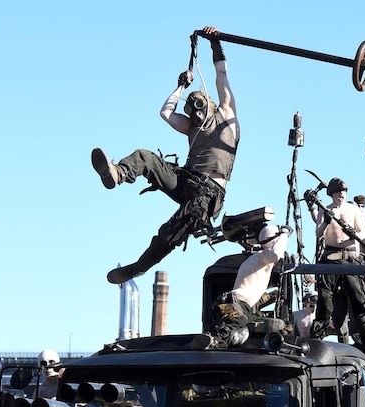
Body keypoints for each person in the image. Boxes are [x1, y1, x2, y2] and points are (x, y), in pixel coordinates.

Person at [91, 25, 240, 283]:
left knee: (168, 234)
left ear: (209, 104)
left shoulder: (227, 116)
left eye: (199, 108)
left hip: (208, 194)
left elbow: (222, 74)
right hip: (186, 180)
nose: (195, 115)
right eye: (192, 112)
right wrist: (180, 86)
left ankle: (137, 268)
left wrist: (216, 44)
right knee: (145, 157)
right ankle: (118, 173)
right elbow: (166, 113)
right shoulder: (192, 128)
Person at [304, 178, 365, 345]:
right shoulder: (326, 210)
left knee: (359, 301)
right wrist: (326, 222)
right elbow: (318, 234)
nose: (341, 194)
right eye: (338, 192)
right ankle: (317, 339)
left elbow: (364, 234)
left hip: (352, 260)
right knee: (325, 300)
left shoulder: (353, 210)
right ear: (331, 193)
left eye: (344, 191)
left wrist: (355, 234)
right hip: (330, 260)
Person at [209, 225, 290, 347]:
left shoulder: (256, 260)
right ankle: (213, 341)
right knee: (238, 333)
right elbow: (276, 254)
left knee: (280, 326)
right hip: (235, 305)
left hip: (247, 309)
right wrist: (284, 235)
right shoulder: (261, 256)